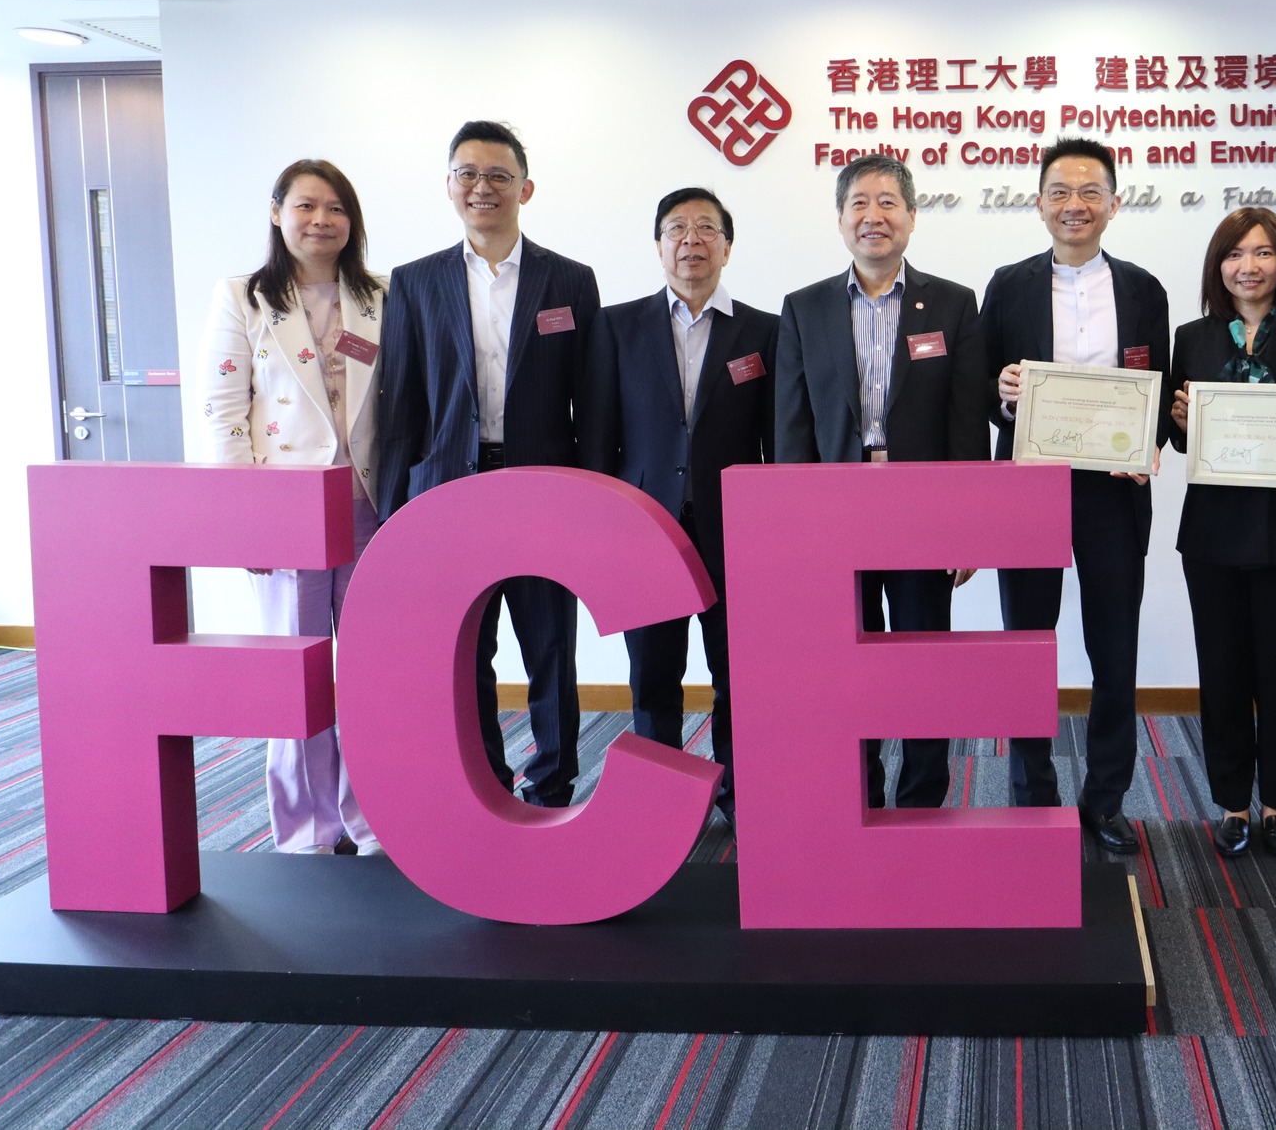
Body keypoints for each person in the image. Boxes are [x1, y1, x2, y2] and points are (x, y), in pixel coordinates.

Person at [374, 120, 600, 808]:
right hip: (447, 492)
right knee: (466, 650)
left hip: (543, 491)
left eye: (499, 175)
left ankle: (553, 783)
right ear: (449, 186)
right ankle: (485, 785)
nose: (483, 187)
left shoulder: (570, 279)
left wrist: (595, 503)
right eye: (467, 174)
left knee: (550, 647)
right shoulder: (415, 283)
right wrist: (394, 513)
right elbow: (400, 404)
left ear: (525, 188)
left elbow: (590, 401)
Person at [774, 153, 989, 810]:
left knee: (922, 659)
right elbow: (793, 428)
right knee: (845, 663)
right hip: (835, 513)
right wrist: (797, 530)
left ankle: (922, 798)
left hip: (921, 512)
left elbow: (965, 425)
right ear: (840, 219)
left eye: (889, 202)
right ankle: (857, 793)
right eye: (859, 203)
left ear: (913, 217)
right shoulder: (804, 307)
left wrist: (967, 528)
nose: (874, 216)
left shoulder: (953, 303)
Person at [983, 137, 1171, 855]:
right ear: (1039, 204)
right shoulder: (1008, 285)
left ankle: (1106, 798)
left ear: (1114, 204)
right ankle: (1032, 793)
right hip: (1028, 488)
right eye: (1060, 191)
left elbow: (1158, 390)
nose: (1075, 204)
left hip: (1113, 493)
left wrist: (1149, 442)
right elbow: (981, 388)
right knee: (1027, 646)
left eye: (1091, 191)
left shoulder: (1145, 289)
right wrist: (1003, 394)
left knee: (1113, 649)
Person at [200, 159, 387, 854]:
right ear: (277, 212)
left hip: (370, 505)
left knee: (370, 675)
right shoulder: (244, 297)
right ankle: (309, 828)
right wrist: (246, 522)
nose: (321, 220)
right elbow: (223, 413)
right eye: (306, 205)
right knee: (297, 676)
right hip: (288, 512)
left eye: (336, 207)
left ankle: (373, 819)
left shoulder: (381, 295)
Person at [580, 187, 776, 828]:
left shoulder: (765, 331)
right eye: (677, 229)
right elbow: (599, 437)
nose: (691, 240)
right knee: (653, 675)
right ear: (659, 244)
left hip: (735, 532)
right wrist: (604, 530)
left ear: (727, 246)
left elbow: (777, 442)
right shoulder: (617, 326)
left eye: (706, 228)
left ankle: (742, 795)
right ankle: (662, 805)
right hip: (646, 530)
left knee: (738, 675)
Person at [1167, 208, 1276, 858]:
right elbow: (1180, 438)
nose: (1249, 266)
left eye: (1263, 252)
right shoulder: (1192, 336)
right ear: (1218, 266)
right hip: (1213, 531)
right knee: (1221, 671)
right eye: (1235, 254)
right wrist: (1181, 420)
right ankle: (1233, 804)